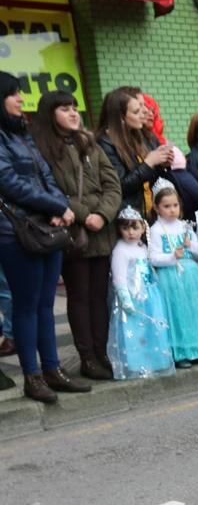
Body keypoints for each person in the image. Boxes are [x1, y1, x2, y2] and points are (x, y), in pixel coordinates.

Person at [0, 71, 87, 404]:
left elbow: (45, 175)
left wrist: (61, 206)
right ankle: (32, 377)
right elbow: (9, 183)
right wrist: (55, 205)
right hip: (16, 232)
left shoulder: (21, 132)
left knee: (45, 305)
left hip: (47, 228)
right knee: (25, 306)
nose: (21, 99)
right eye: (14, 93)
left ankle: (52, 370)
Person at [31, 90, 122, 381]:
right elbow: (50, 191)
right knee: (80, 296)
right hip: (73, 233)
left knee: (99, 296)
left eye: (74, 107)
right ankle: (87, 357)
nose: (73, 113)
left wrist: (103, 215)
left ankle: (101, 352)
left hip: (101, 231)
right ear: (50, 113)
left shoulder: (89, 143)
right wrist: (86, 215)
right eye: (64, 109)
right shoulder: (42, 147)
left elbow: (113, 184)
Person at [147, 178, 198, 368]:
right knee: (178, 313)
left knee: (196, 310)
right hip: (170, 276)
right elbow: (154, 258)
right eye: (166, 206)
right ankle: (182, 352)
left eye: (175, 205)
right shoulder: (156, 231)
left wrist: (191, 245)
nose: (172, 210)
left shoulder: (184, 226)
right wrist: (172, 256)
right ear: (157, 208)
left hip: (190, 274)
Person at [107, 205, 173, 379]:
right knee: (135, 331)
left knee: (152, 329)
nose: (130, 232)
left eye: (135, 227)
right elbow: (119, 277)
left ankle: (156, 360)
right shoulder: (120, 250)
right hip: (133, 297)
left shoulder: (143, 247)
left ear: (143, 228)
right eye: (125, 228)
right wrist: (125, 297)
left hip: (149, 295)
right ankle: (137, 363)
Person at [98, 88, 174, 216]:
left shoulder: (141, 135)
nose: (144, 112)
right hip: (127, 219)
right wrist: (149, 163)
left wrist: (162, 164)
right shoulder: (105, 143)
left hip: (150, 213)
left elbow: (153, 180)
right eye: (136, 111)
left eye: (143, 106)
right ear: (121, 117)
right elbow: (119, 187)